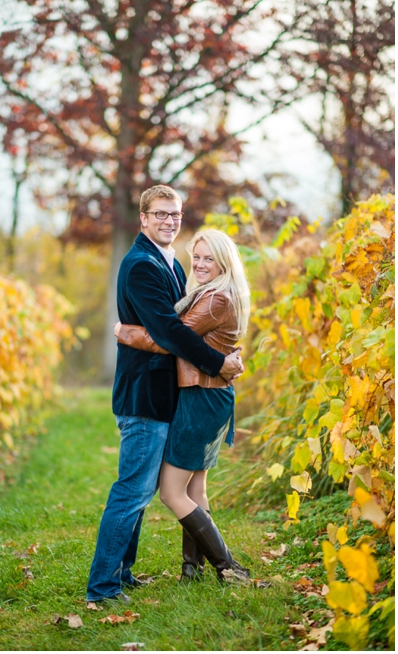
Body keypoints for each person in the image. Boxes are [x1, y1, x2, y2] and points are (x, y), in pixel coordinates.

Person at [86, 185, 244, 605]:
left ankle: (123, 571)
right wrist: (219, 362)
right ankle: (102, 587)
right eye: (159, 214)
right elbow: (170, 331)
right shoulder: (141, 265)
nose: (168, 220)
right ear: (143, 218)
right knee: (132, 489)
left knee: (140, 490)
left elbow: (183, 324)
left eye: (174, 214)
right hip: (145, 395)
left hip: (167, 394)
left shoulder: (172, 263)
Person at [114, 228, 252, 584]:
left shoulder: (215, 299)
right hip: (209, 393)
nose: (202, 264)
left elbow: (170, 340)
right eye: (198, 257)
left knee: (172, 492)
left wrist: (124, 332)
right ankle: (192, 570)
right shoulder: (212, 293)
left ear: (224, 262)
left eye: (210, 258)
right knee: (195, 490)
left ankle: (227, 566)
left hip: (202, 396)